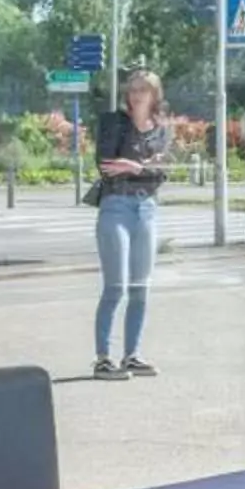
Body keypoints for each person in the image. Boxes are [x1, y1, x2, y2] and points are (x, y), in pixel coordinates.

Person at [91, 68, 171, 378]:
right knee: (116, 287)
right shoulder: (114, 123)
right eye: (133, 88)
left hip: (147, 208)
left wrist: (135, 166)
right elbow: (108, 165)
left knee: (141, 288)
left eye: (144, 89)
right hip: (116, 207)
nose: (137, 94)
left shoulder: (161, 129)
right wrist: (145, 166)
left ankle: (132, 355)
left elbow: (163, 170)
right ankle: (103, 358)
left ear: (154, 95)